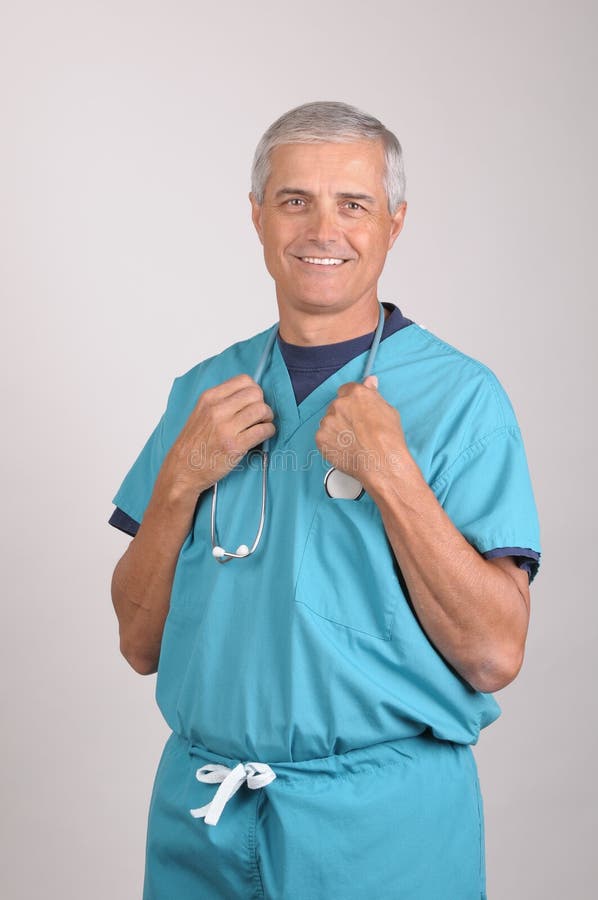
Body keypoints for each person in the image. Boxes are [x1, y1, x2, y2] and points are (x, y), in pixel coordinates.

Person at [109, 101, 541, 900]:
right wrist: (180, 480)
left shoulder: (462, 399)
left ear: (395, 222)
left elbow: (494, 654)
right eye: (294, 200)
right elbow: (138, 642)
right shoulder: (202, 392)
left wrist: (393, 473)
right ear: (257, 216)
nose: (322, 230)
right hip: (203, 823)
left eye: (353, 203)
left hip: (379, 834)